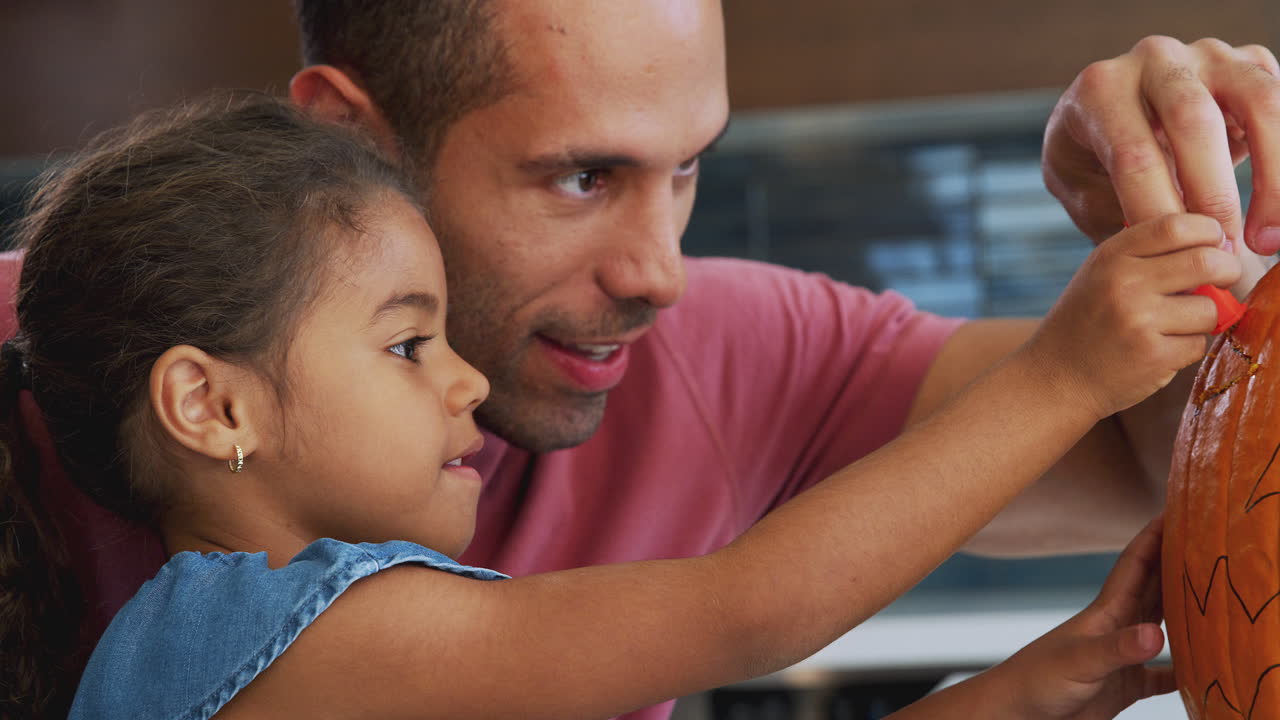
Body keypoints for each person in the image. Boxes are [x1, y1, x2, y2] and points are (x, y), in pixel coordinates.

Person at [16, 2, 1280, 719]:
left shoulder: (284, 611)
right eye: (580, 175)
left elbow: (1158, 465)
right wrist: (1062, 366)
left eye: (688, 169)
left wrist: (1010, 697)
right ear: (354, 139)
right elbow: (744, 608)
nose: (661, 273)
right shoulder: (331, 632)